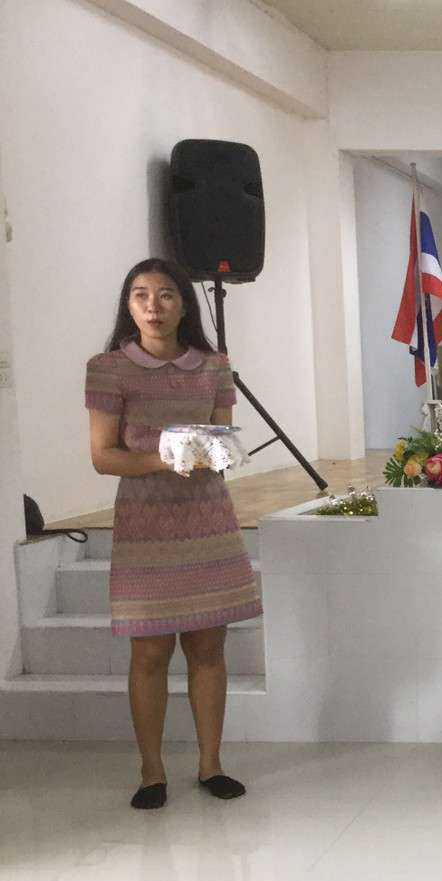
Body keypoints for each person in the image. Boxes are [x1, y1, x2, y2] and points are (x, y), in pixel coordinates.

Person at [84, 258, 261, 810]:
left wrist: (217, 452)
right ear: (128, 305)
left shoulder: (214, 366)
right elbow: (102, 456)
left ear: (185, 304)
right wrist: (166, 457)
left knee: (208, 648)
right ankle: (152, 772)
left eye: (165, 295)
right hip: (146, 525)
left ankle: (211, 765)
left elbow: (224, 443)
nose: (153, 307)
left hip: (208, 519)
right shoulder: (108, 368)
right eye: (141, 295)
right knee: (150, 651)